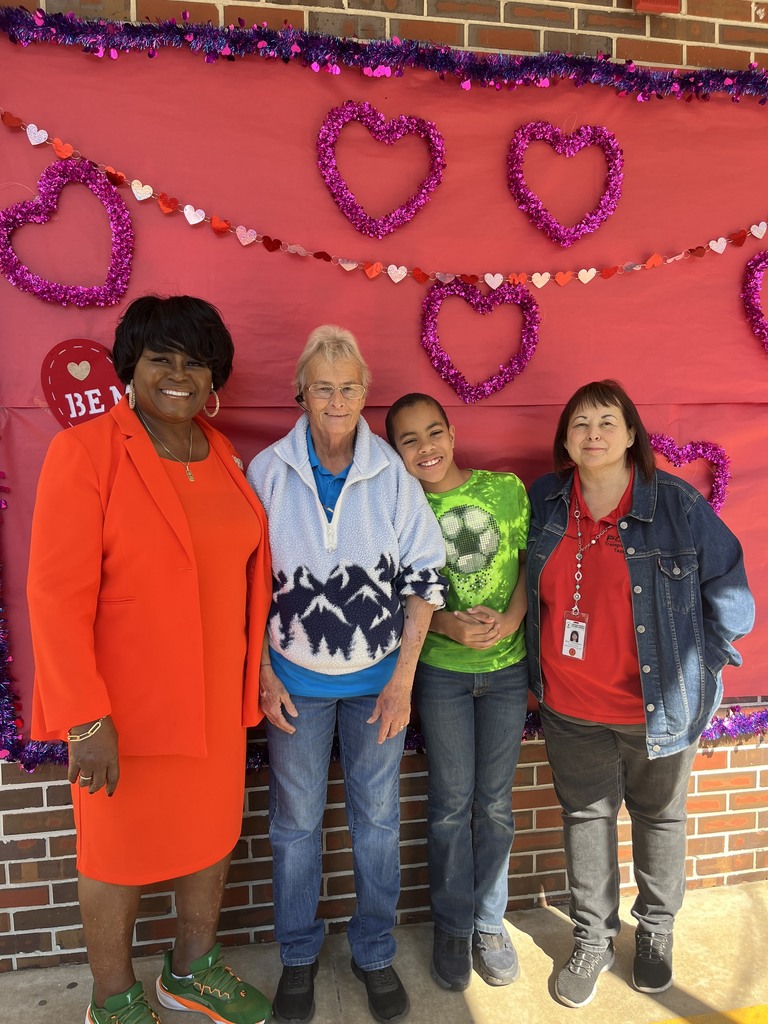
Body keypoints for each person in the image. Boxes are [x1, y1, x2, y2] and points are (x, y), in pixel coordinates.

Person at [27, 295, 274, 1024]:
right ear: (130, 368)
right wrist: (82, 719)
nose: (178, 374)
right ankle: (113, 998)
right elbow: (55, 595)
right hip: (122, 715)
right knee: (115, 856)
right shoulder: (86, 452)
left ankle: (192, 969)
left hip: (214, 703)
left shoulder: (224, 454)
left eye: (195, 361)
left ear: (214, 378)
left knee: (209, 837)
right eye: (161, 357)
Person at [525, 379, 754, 1009]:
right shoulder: (545, 500)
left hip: (654, 709)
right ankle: (593, 938)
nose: (592, 433)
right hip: (570, 707)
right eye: (579, 423)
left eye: (606, 421)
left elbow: (732, 600)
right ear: (565, 440)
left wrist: (702, 670)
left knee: (659, 820)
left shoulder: (676, 505)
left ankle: (654, 931)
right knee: (587, 820)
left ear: (631, 435)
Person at [247, 327, 446, 1024]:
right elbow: (245, 585)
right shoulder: (267, 471)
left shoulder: (391, 474)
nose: (337, 401)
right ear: (301, 391)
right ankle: (298, 958)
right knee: (296, 825)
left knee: (377, 822)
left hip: (377, 684)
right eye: (324, 387)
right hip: (294, 682)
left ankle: (374, 952)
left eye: (350, 388)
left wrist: (403, 682)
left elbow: (426, 576)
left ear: (366, 394)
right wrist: (263, 673)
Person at [386, 393, 530, 993]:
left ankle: (489, 923)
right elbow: (393, 592)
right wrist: (447, 625)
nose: (426, 448)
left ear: (452, 431)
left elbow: (526, 567)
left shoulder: (505, 490)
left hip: (506, 672)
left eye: (434, 432)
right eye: (409, 440)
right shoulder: (397, 505)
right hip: (440, 674)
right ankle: (451, 926)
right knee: (450, 803)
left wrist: (514, 620)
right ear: (395, 452)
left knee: (494, 803)